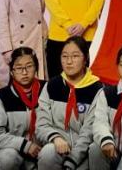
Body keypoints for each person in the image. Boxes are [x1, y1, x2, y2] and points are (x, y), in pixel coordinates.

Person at [36, 36, 104, 170]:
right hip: (58, 146)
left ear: (85, 59)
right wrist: (55, 138)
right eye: (65, 56)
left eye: (75, 56)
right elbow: (42, 124)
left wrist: (72, 160)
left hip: (84, 151)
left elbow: (89, 131)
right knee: (47, 153)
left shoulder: (97, 89)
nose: (69, 61)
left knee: (96, 150)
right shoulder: (51, 85)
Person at [0, 47, 45, 170]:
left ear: (36, 68)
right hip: (14, 151)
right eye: (19, 68)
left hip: (41, 150)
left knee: (51, 152)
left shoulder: (47, 90)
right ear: (11, 72)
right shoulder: (2, 97)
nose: (24, 72)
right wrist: (24, 145)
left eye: (29, 66)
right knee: (8, 157)